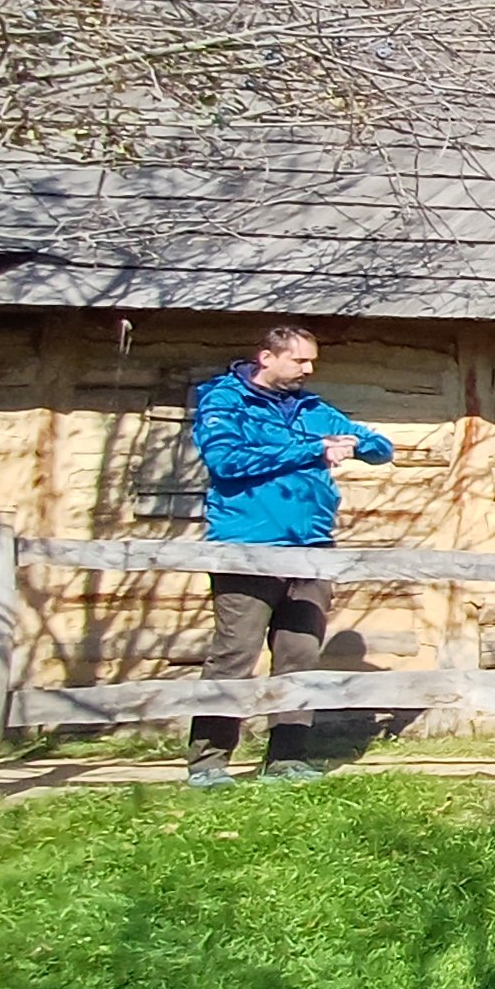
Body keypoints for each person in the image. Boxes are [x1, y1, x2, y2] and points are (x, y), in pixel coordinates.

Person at [183, 325, 396, 787]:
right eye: (300, 361)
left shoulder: (312, 409)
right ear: (267, 357)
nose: (308, 369)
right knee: (234, 655)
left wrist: (354, 444)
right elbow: (227, 462)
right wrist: (312, 449)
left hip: (311, 550)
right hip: (247, 548)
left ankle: (286, 759)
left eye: (311, 362)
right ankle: (208, 763)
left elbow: (381, 448)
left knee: (299, 654)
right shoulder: (223, 402)